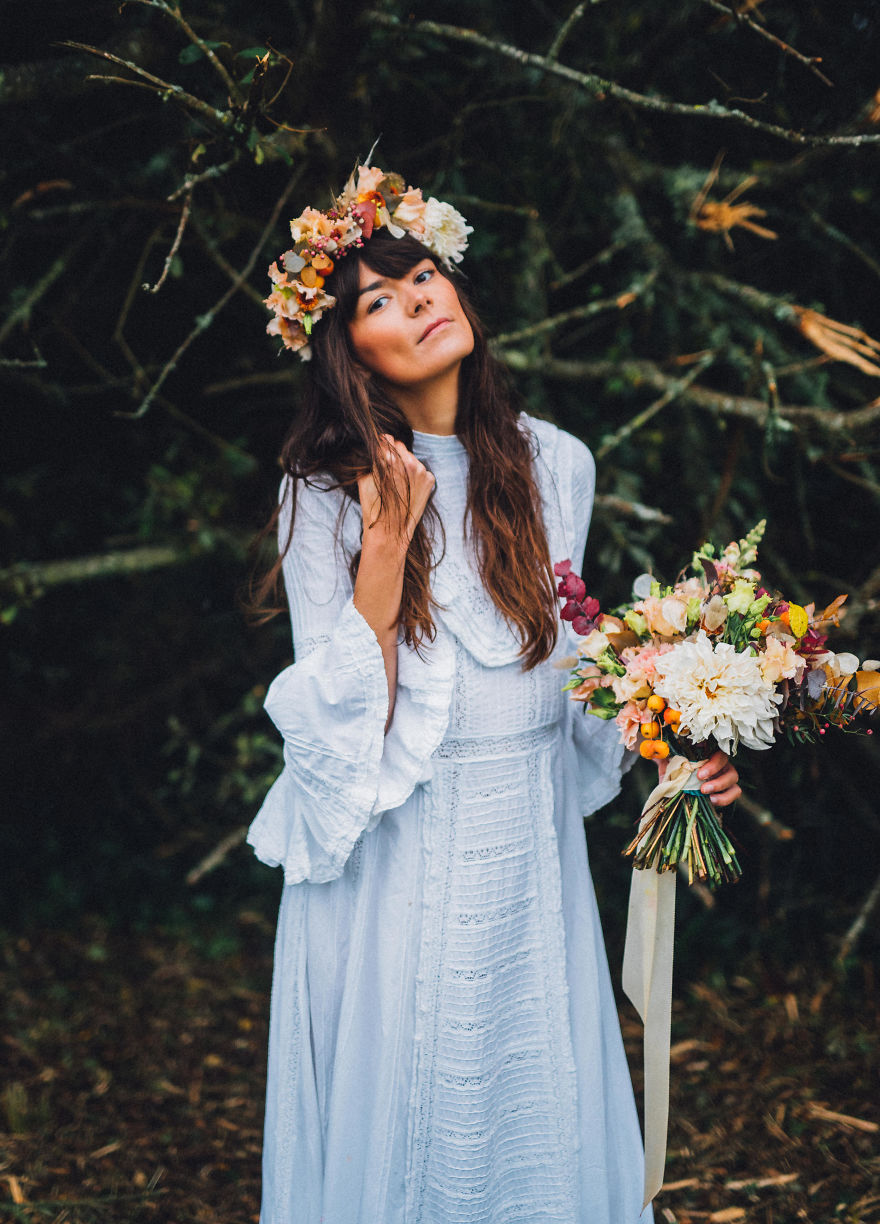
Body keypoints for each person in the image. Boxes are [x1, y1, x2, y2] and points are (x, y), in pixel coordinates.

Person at [248, 164, 741, 1224]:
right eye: (378, 299)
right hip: (395, 869)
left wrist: (667, 743)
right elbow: (338, 742)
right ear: (348, 352)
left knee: (533, 1110)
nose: (417, 299)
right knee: (414, 1105)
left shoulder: (553, 464)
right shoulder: (320, 494)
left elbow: (565, 674)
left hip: (526, 857)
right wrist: (384, 543)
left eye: (423, 275)